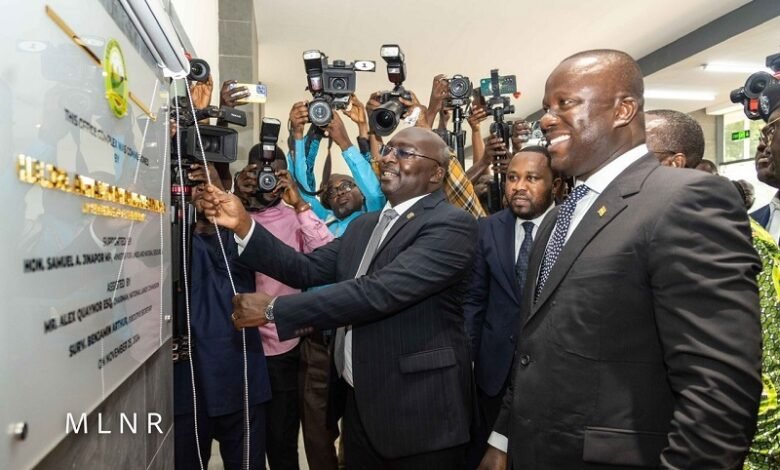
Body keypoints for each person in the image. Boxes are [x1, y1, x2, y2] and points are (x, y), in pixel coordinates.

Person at [480, 49, 762, 469]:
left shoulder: (683, 199)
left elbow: (718, 387)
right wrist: (502, 438)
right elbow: (533, 347)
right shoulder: (560, 216)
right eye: (547, 106)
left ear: (624, 110)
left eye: (565, 103)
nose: (545, 119)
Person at [202, 126, 476, 469]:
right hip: (360, 404)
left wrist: (274, 309)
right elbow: (304, 269)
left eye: (404, 153)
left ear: (436, 173)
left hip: (419, 413)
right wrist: (244, 226)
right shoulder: (366, 226)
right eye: (388, 149)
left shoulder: (452, 225)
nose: (388, 157)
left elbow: (377, 292)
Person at [234, 145, 335, 470]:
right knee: (243, 440)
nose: (266, 180)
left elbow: (328, 256)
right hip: (235, 345)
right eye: (260, 172)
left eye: (275, 173)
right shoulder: (232, 212)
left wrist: (299, 202)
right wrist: (234, 193)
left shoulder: (293, 215)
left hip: (282, 344)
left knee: (281, 439)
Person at [464, 146, 558, 468]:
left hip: (549, 371)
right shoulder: (487, 228)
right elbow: (475, 299)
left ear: (554, 185)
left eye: (532, 178)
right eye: (513, 178)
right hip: (494, 370)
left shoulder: (569, 229)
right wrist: (468, 361)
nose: (519, 186)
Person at [174, 163, 270, 470]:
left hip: (240, 376)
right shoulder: (172, 238)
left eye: (207, 181)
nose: (201, 190)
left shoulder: (238, 235)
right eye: (193, 185)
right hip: (186, 386)